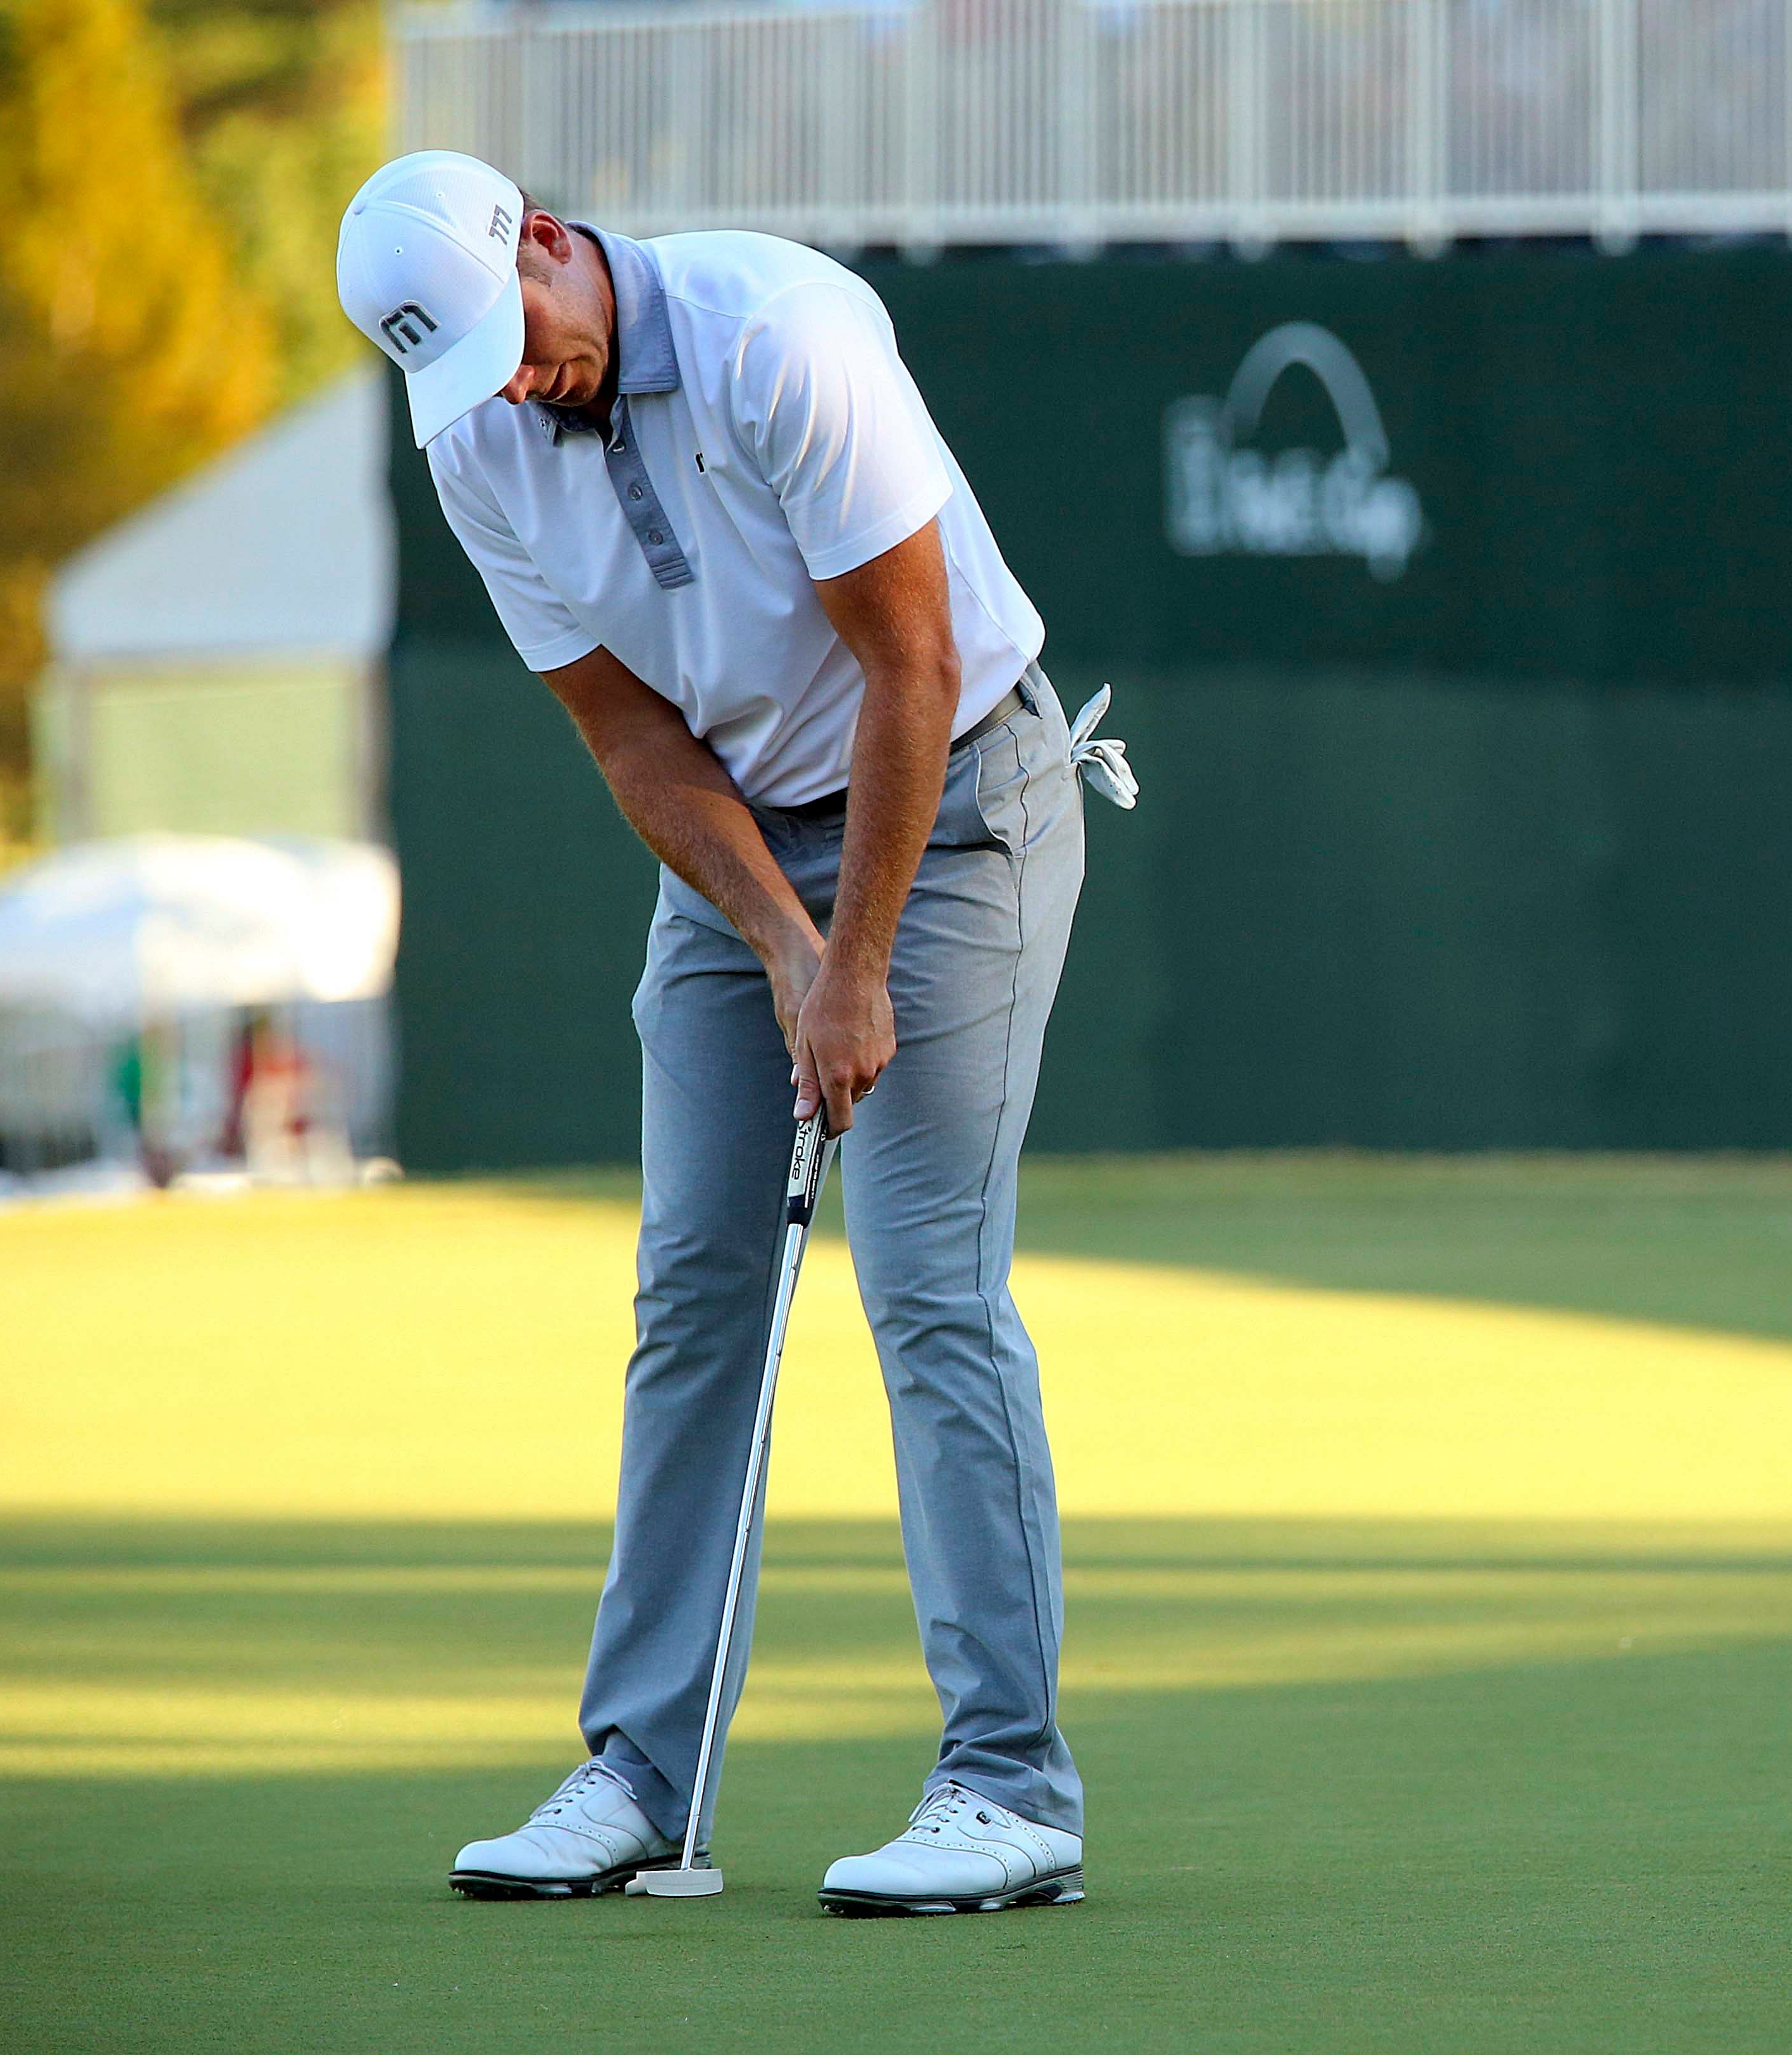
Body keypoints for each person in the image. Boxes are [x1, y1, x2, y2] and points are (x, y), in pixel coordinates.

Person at [334, 149, 1134, 1915]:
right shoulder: (471, 437)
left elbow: (913, 669)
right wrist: (781, 942)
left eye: (515, 338)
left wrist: (852, 966)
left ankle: (1010, 1784)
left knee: (925, 1280)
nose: (515, 385)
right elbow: (632, 743)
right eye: (466, 371)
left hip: (960, 799)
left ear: (547, 242)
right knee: (697, 1286)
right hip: (742, 849)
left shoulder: (780, 333)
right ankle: (642, 1766)